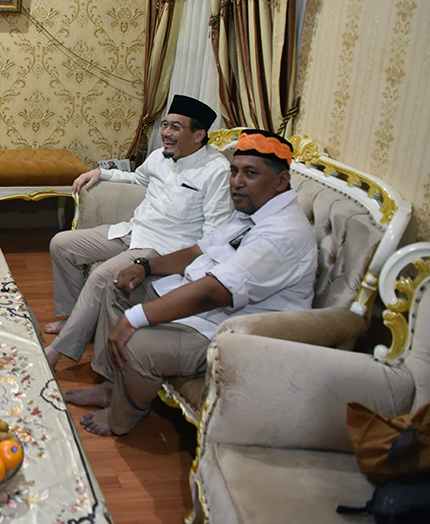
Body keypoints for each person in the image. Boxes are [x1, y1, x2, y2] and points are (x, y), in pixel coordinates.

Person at [66, 130, 317, 436]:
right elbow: (201, 249)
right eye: (234, 172)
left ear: (280, 182)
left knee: (137, 344)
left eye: (250, 174)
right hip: (198, 298)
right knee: (118, 286)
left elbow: (213, 293)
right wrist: (145, 267)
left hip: (232, 329)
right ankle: (111, 386)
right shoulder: (252, 210)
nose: (237, 182)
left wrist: (134, 319)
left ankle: (124, 416)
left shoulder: (282, 233)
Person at [45, 95, 232, 369]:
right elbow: (137, 178)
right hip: (133, 231)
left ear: (199, 134)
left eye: (175, 128)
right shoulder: (160, 156)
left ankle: (60, 351)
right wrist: (101, 173)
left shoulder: (216, 171)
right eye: (166, 125)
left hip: (163, 247)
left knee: (101, 277)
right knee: (62, 244)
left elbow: (216, 232)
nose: (166, 133)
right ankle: (73, 317)